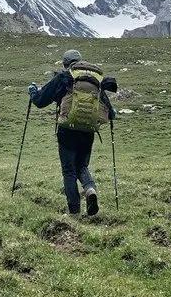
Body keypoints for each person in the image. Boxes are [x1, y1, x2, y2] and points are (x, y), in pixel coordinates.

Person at [27, 49, 117, 217]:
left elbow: (40, 101)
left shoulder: (64, 76)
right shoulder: (94, 80)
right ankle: (90, 189)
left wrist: (32, 91)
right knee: (82, 165)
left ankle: (74, 212)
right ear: (80, 61)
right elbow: (111, 113)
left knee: (69, 170)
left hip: (67, 130)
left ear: (65, 63)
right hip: (88, 131)